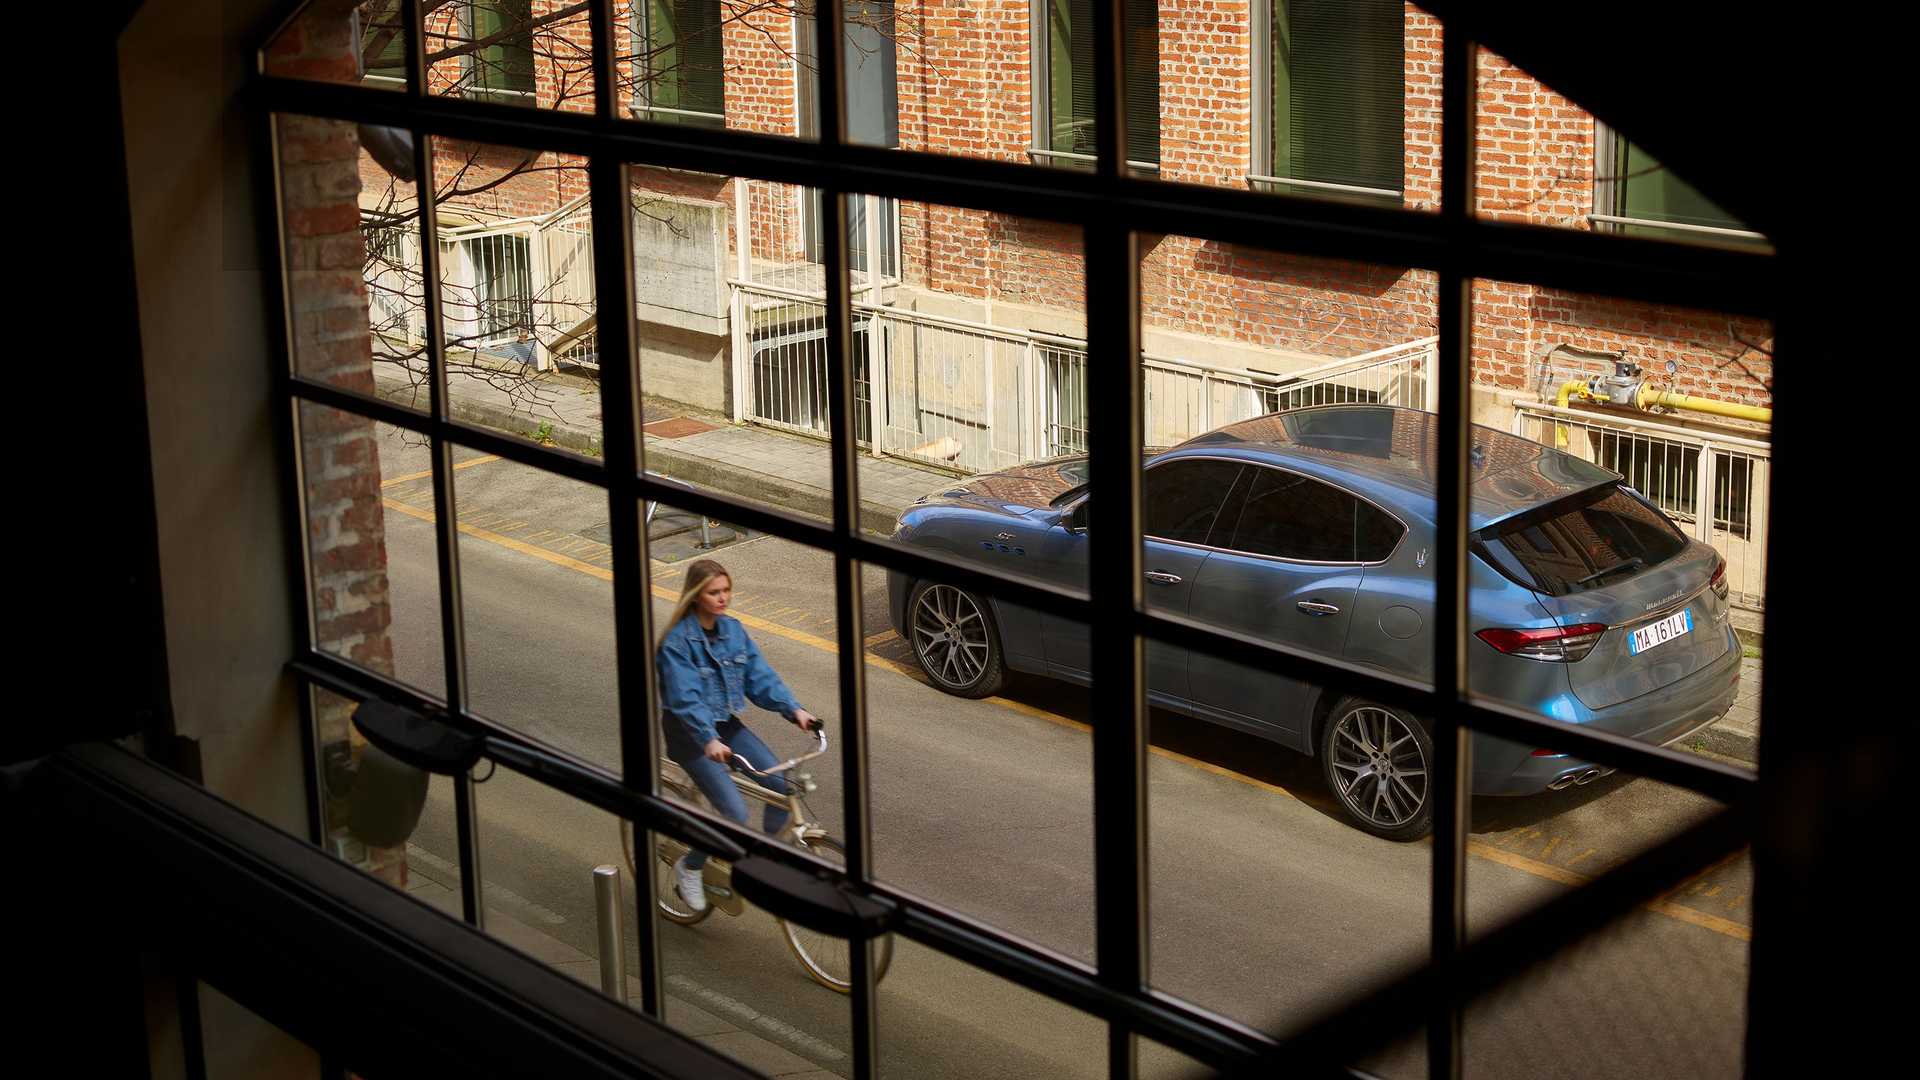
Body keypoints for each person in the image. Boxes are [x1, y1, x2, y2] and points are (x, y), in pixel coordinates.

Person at [655, 558, 820, 913]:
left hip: (723, 725)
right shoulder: (677, 642)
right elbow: (685, 700)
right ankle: (691, 867)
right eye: (714, 592)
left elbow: (760, 678)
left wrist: (795, 711)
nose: (722, 598)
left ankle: (753, 854)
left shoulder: (732, 631)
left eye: (726, 590)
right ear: (696, 595)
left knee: (780, 785)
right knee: (734, 814)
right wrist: (708, 739)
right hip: (691, 735)